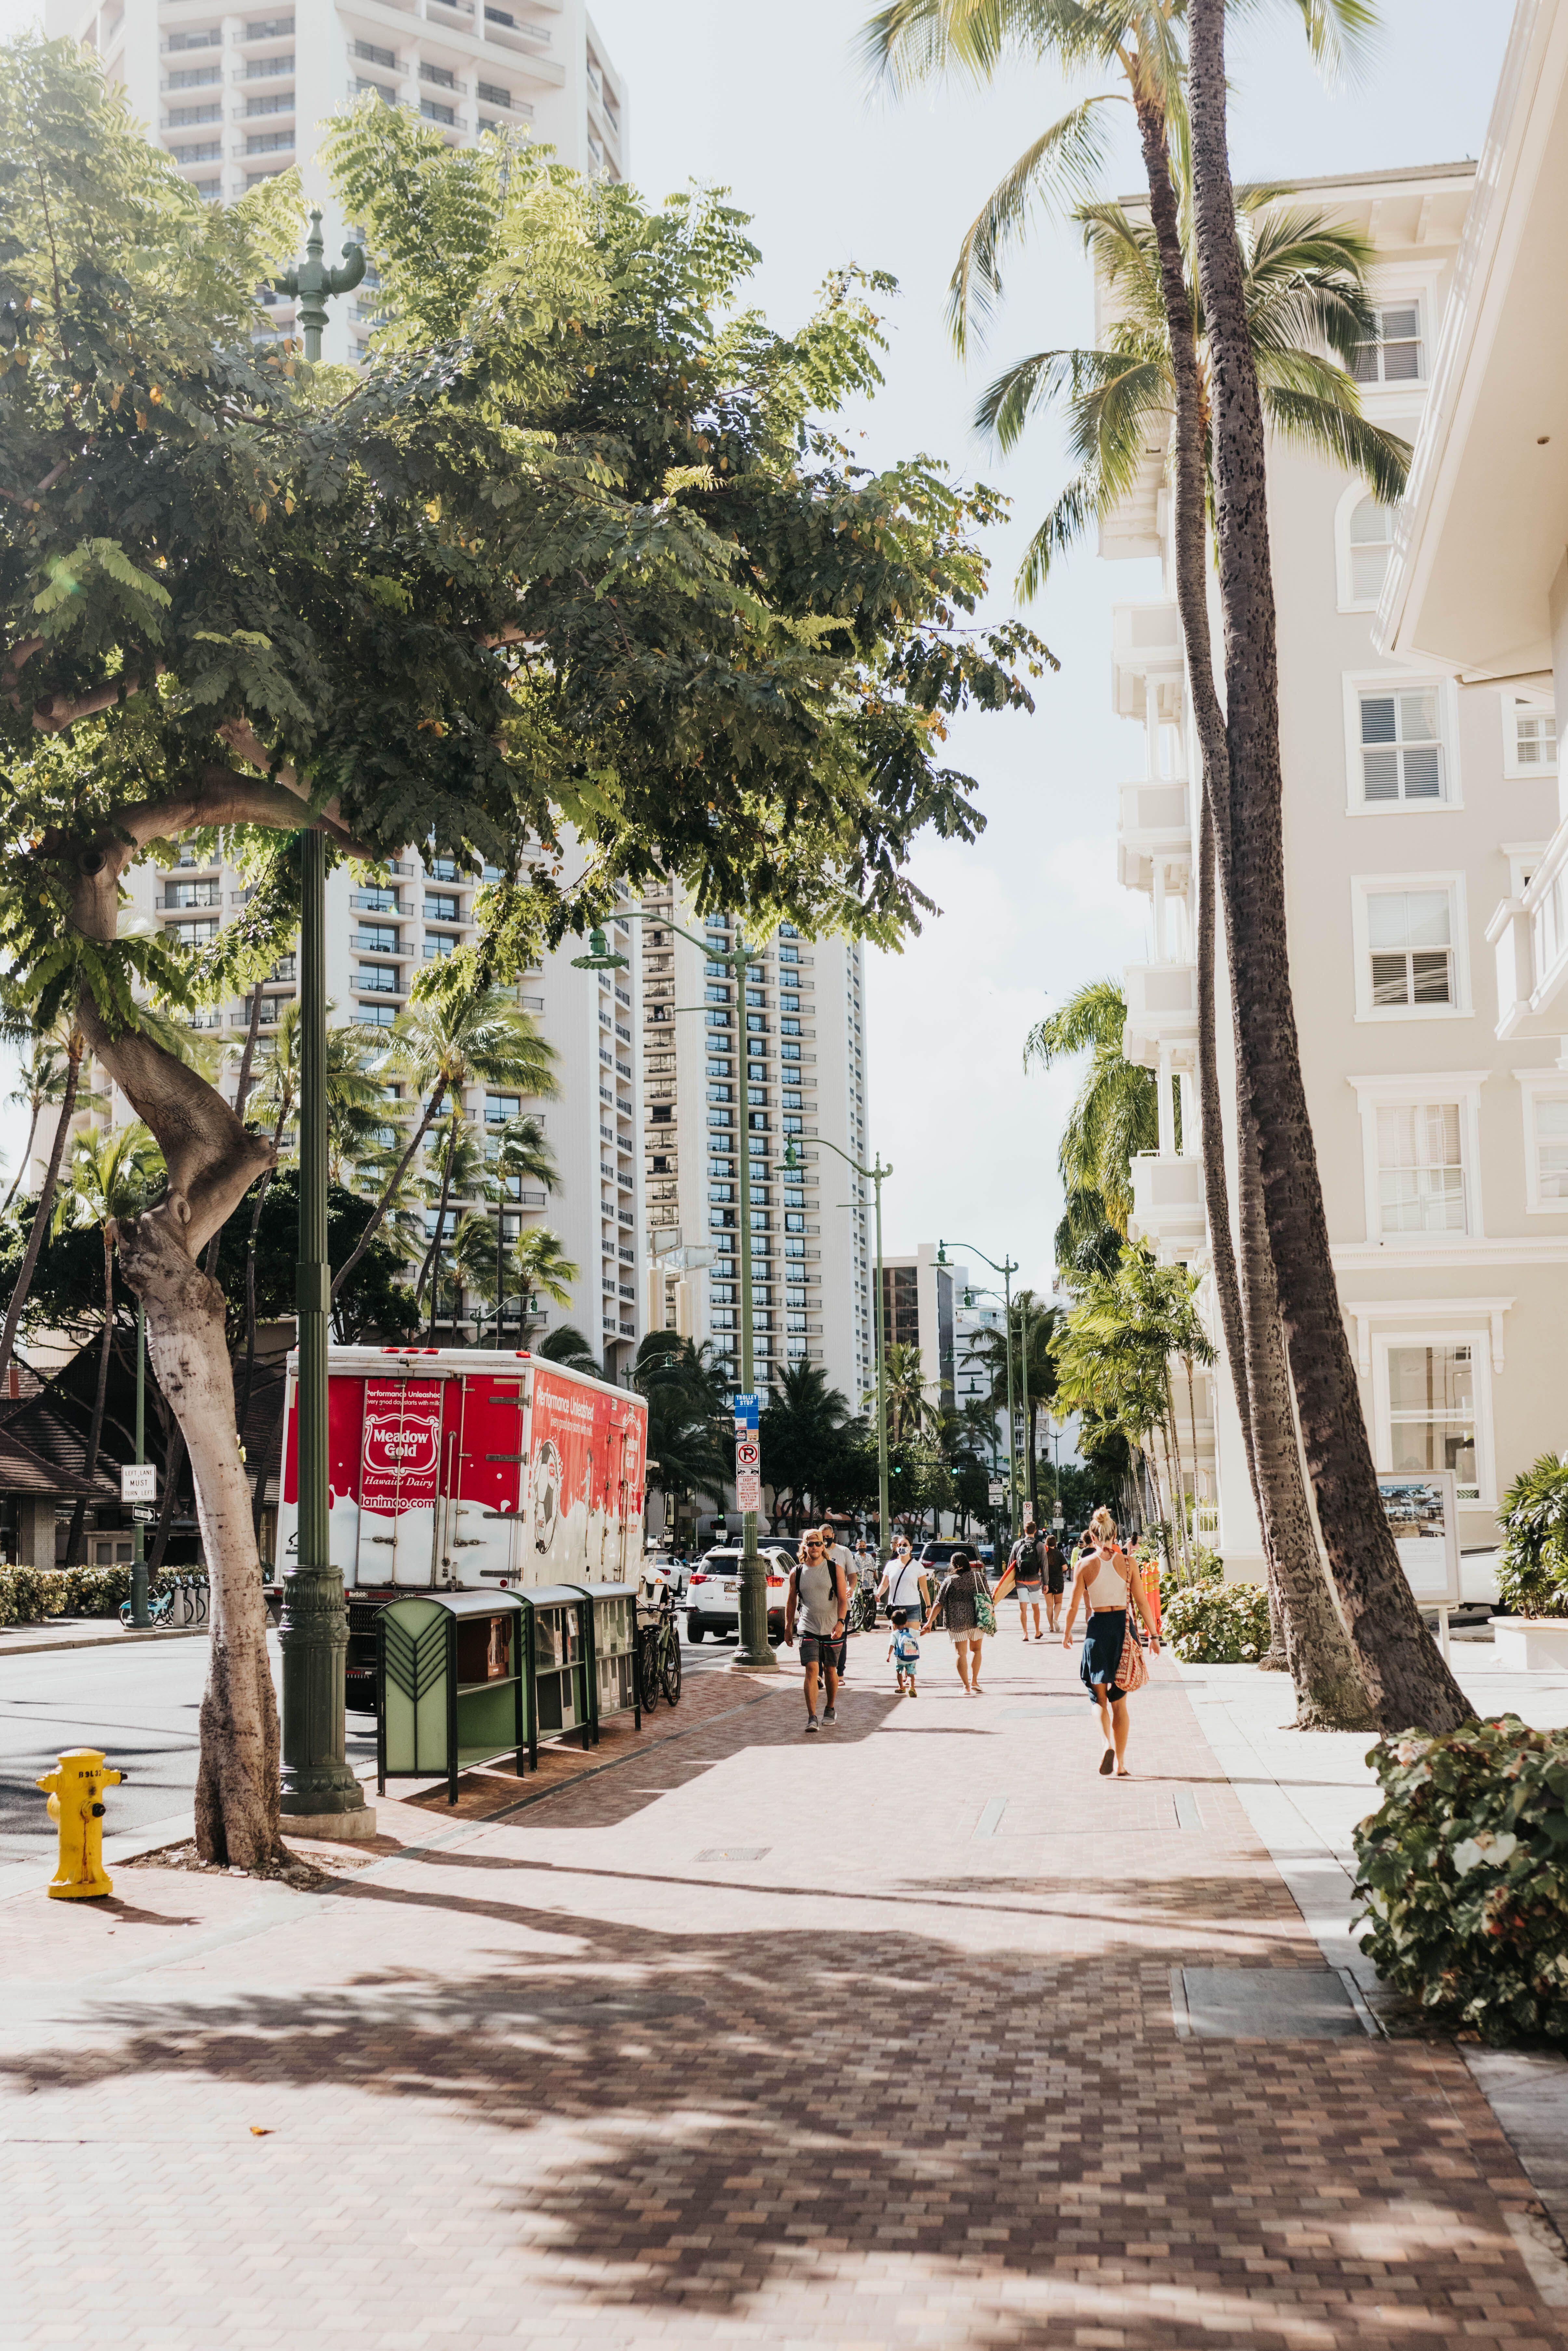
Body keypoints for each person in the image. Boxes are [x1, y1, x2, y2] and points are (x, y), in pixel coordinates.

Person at [1061, 1505, 1161, 1776]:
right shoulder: (1129, 1563)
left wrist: (1067, 1632)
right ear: (1115, 1534)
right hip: (1122, 1631)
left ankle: (1105, 1743)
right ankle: (1121, 1763)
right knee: (1120, 1704)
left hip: (1097, 1632)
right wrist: (1153, 1636)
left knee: (1098, 1700)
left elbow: (1072, 1607)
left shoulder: (1083, 1565)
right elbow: (1141, 1602)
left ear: (1091, 1538)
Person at [784, 1528, 850, 1733]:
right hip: (807, 1627)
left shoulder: (834, 1569)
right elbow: (791, 1600)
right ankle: (812, 1717)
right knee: (812, 1669)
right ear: (804, 1547)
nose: (814, 1547)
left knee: (831, 1670)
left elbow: (842, 1598)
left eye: (818, 1544)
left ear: (824, 1546)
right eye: (810, 1544)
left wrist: (840, 1622)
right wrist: (788, 1626)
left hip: (832, 1628)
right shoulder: (797, 1572)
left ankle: (830, 1708)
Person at [924, 1544, 988, 1695]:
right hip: (978, 1619)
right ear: (968, 1564)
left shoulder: (950, 1581)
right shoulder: (979, 1577)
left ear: (953, 1565)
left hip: (956, 1620)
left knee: (961, 1653)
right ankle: (975, 1682)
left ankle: (966, 1687)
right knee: (977, 1650)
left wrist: (929, 1623)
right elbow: (989, 1598)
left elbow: (939, 1603)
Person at [876, 1536, 929, 1630]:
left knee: (910, 1641)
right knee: (897, 1639)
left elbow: (924, 1589)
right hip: (895, 1608)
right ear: (896, 1547)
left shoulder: (918, 1566)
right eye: (899, 1545)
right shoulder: (891, 1565)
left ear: (911, 1548)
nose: (902, 1547)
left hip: (913, 1607)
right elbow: (884, 1584)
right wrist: (879, 1594)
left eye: (905, 1545)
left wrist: (929, 1607)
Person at [1009, 1521, 1045, 1642]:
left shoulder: (1018, 1544)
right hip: (1034, 1580)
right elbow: (1044, 1566)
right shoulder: (1040, 1546)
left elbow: (1011, 1565)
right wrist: (1046, 1583)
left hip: (1020, 1580)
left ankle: (1025, 1633)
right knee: (1036, 1607)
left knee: (1023, 1608)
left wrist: (1009, 1583)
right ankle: (1037, 1631)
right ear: (1035, 1531)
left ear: (1024, 1531)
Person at [887, 1609, 920, 1697]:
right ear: (906, 1622)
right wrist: (927, 1630)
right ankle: (912, 1687)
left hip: (900, 1658)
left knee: (899, 1672)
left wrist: (889, 1655)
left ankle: (901, 1687)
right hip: (911, 1657)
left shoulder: (895, 1634)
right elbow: (919, 1634)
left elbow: (892, 1645)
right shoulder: (910, 1631)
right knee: (911, 1674)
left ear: (893, 1623)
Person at [1044, 1528, 1067, 1634]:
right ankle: (1056, 1619)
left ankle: (1051, 1627)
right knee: (1058, 1603)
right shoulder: (1059, 1554)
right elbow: (1065, 1568)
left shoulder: (1044, 1554)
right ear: (1056, 1543)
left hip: (1046, 1582)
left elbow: (1040, 1569)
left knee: (1049, 1605)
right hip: (1058, 1580)